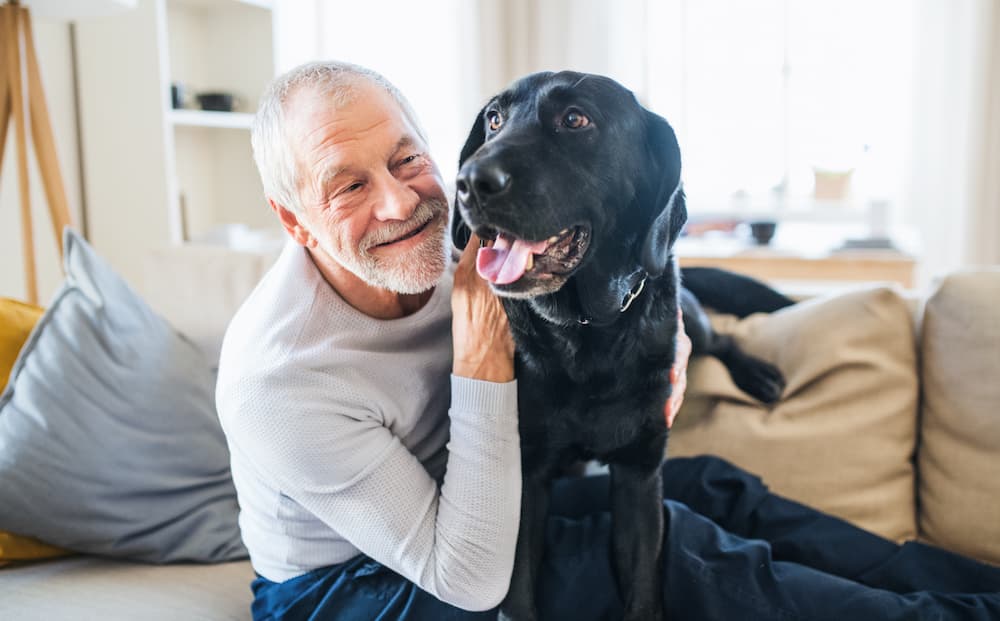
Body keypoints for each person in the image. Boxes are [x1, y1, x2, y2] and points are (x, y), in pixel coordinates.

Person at [216, 60, 1000, 621]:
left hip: (486, 503)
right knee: (680, 550)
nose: (398, 202)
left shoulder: (461, 240)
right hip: (361, 584)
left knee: (710, 485)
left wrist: (675, 343)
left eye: (406, 158)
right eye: (349, 185)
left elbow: (628, 233)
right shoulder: (279, 381)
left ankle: (978, 581)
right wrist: (484, 356)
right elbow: (471, 576)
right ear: (295, 221)